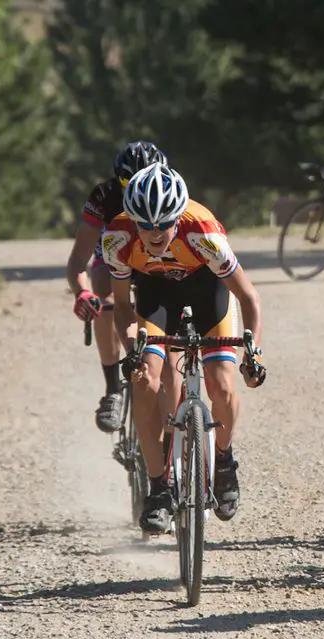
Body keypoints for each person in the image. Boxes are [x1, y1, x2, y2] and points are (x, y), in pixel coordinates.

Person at [102, 163, 266, 533]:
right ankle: (159, 488)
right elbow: (124, 307)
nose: (155, 233)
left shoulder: (203, 232)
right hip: (156, 296)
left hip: (208, 291)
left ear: (178, 217)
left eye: (164, 224)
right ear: (133, 220)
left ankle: (223, 462)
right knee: (145, 381)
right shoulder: (117, 237)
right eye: (146, 224)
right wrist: (131, 349)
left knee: (222, 384)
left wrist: (253, 352)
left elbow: (248, 296)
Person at [67, 141, 167, 433]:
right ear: (118, 180)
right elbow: (78, 260)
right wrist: (82, 292)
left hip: (152, 259)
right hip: (113, 258)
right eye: (129, 183)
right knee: (103, 294)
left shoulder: (168, 192)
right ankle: (113, 390)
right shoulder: (104, 197)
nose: (138, 189)